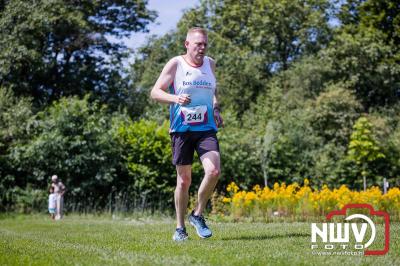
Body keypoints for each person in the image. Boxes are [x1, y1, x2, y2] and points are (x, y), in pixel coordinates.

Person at [150, 27, 224, 241]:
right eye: (198, 44)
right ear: (187, 44)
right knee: (184, 181)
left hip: (206, 128)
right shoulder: (176, 64)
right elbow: (155, 92)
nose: (202, 48)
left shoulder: (210, 64)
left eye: (204, 44)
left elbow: (212, 90)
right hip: (181, 129)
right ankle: (180, 228)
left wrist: (216, 109)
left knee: (213, 171)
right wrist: (176, 99)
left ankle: (198, 214)